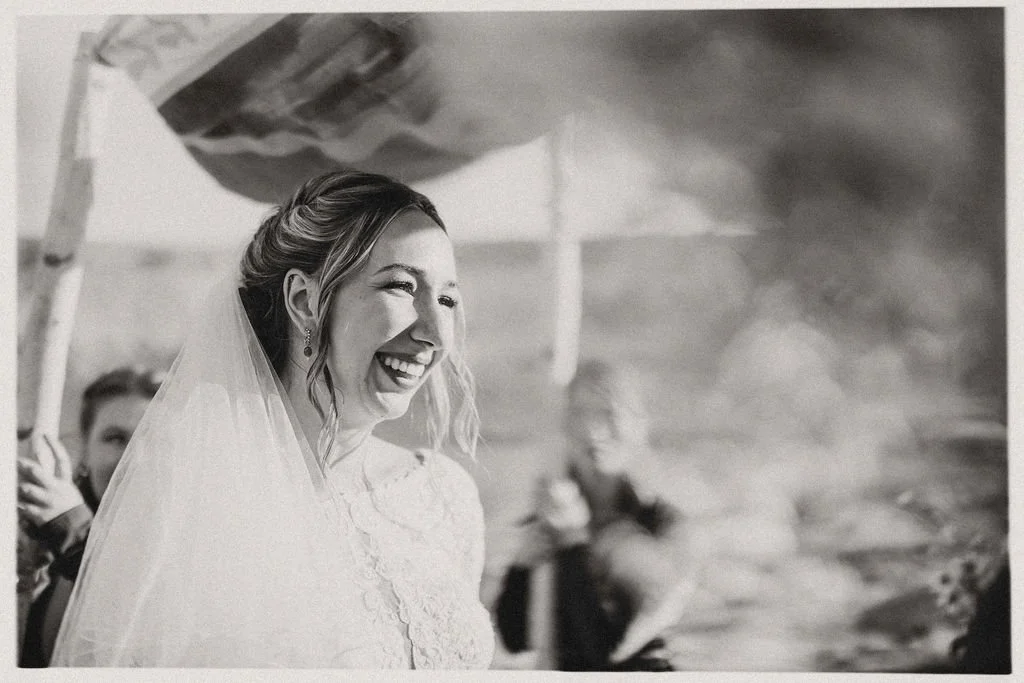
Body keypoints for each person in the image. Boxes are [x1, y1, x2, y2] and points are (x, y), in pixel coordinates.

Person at [51, 171, 494, 668]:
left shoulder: (445, 495)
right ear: (304, 301)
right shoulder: (191, 510)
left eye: (448, 299)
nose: (435, 331)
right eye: (400, 286)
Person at [494, 359, 694, 671]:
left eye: (609, 414)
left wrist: (574, 545)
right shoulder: (553, 514)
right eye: (579, 414)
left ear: (640, 425)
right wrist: (521, 568)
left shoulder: (664, 525)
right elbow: (516, 638)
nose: (593, 431)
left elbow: (606, 653)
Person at [18, 366, 163, 667]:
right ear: (84, 450)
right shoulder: (45, 541)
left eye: (153, 438)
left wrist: (75, 530)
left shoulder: (191, 552)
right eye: (115, 438)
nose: (134, 456)